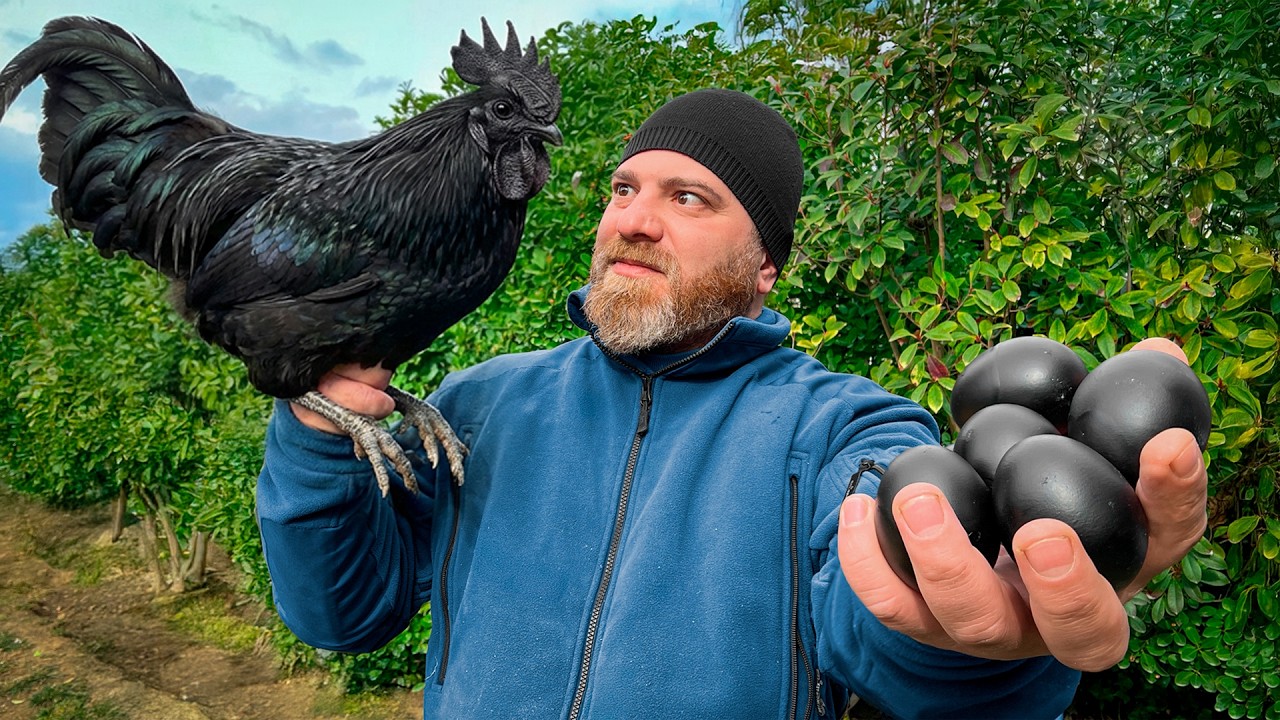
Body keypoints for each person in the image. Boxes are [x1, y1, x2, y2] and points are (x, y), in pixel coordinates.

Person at [256, 88, 1208, 718]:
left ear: (764, 270)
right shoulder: (481, 402)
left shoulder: (842, 427)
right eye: (624, 189)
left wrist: (987, 643)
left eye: (690, 198)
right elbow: (345, 614)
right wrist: (313, 438)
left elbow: (890, 622)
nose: (632, 218)